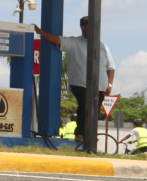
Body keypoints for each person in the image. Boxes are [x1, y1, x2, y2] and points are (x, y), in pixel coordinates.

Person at [33, 16, 115, 144]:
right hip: (80, 84)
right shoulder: (74, 42)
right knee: (84, 105)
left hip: (99, 86)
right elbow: (57, 40)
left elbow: (111, 68)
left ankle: (90, 134)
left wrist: (110, 84)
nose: (86, 28)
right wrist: (41, 32)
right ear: (81, 28)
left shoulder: (103, 46)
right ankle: (80, 133)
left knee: (94, 110)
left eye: (89, 26)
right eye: (84, 26)